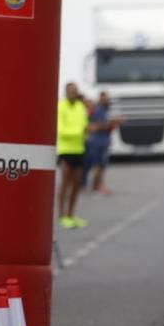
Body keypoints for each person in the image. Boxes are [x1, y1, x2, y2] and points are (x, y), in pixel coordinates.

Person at [56, 82, 90, 229]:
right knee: (65, 183)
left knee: (76, 184)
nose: (73, 93)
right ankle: (62, 216)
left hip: (79, 149)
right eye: (70, 91)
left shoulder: (80, 107)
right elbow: (62, 130)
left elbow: (85, 124)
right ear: (66, 92)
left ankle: (71, 214)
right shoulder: (60, 106)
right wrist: (80, 131)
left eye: (75, 91)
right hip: (65, 150)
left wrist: (82, 130)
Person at [82, 91, 121, 195]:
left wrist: (112, 123)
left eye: (108, 99)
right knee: (98, 166)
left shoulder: (104, 110)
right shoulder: (99, 110)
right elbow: (96, 126)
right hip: (97, 142)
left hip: (103, 141)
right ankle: (97, 187)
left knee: (101, 166)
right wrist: (113, 122)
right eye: (106, 99)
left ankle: (97, 186)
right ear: (101, 99)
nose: (108, 101)